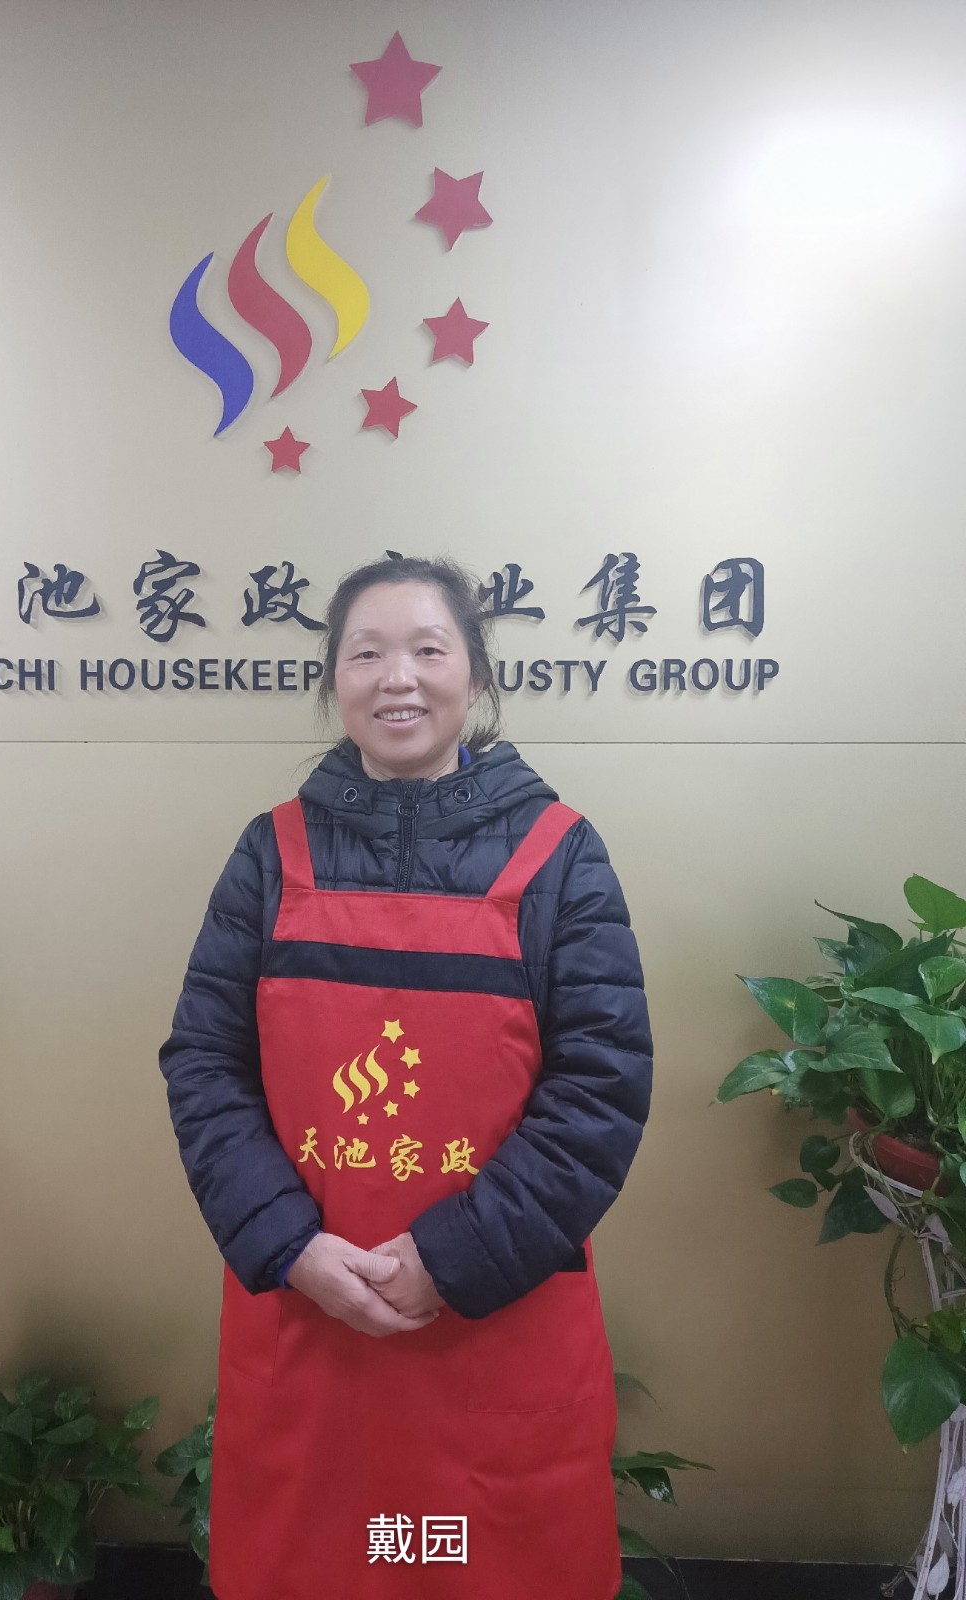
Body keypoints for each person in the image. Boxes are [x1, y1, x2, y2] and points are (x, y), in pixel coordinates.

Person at [159, 553, 653, 1600]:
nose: (399, 678)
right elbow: (205, 1063)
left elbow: (601, 1090)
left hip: (495, 1320)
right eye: (367, 653)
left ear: (474, 673)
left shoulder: (561, 855)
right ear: (333, 681)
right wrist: (289, 1246)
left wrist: (452, 1254)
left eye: (428, 649)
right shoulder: (270, 854)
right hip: (310, 1316)